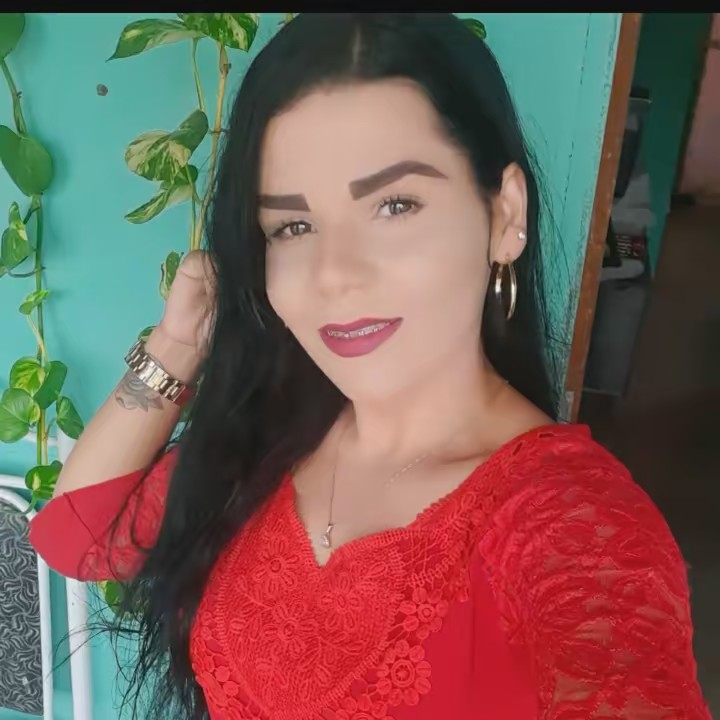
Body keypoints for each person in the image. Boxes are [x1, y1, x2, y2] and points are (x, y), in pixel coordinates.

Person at [28, 12, 710, 720]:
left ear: (505, 214)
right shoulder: (273, 440)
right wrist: (177, 344)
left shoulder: (568, 524)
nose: (335, 275)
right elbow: (76, 538)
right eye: (292, 226)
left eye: (395, 205)